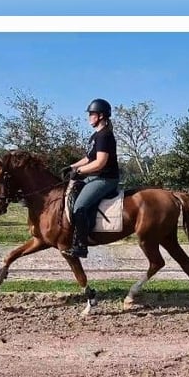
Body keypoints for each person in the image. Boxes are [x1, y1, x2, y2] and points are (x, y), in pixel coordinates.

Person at [60, 98, 120, 258]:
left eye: (91, 114)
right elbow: (88, 158)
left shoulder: (105, 136)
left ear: (100, 116)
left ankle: (81, 245)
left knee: (79, 207)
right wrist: (72, 167)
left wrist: (79, 172)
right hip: (96, 176)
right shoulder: (96, 136)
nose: (89, 117)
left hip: (106, 179)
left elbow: (100, 163)